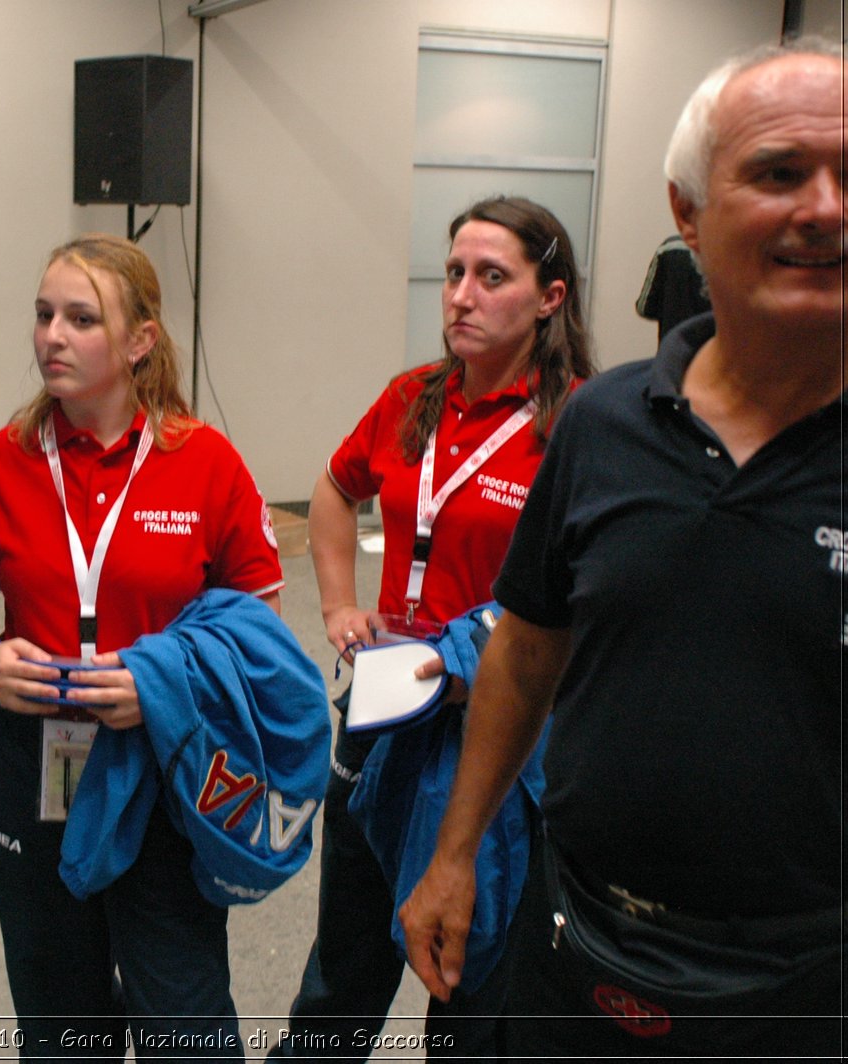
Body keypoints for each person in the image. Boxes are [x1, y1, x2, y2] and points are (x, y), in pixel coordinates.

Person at [399, 40, 848, 1059]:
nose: (829, 208)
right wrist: (454, 854)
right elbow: (525, 655)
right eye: (781, 171)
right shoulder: (605, 423)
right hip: (582, 948)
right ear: (688, 212)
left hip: (817, 981)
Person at [0, 234, 290, 1058]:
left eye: (80, 318)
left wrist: (164, 686)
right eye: (43, 315)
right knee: (60, 1019)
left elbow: (260, 625)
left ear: (139, 341)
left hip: (165, 762)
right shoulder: (1, 462)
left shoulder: (204, 464)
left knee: (184, 1013)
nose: (51, 336)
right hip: (35, 760)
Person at [275, 196, 592, 1061]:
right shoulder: (413, 396)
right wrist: (339, 604)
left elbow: (598, 585)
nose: (460, 294)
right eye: (455, 272)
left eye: (492, 277)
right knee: (344, 956)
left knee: (472, 970)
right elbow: (337, 491)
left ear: (549, 296)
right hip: (384, 702)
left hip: (499, 721)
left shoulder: (580, 424)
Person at [636, 230, 711, 341]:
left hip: (672, 348)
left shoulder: (667, 248)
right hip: (709, 350)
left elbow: (643, 308)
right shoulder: (725, 250)